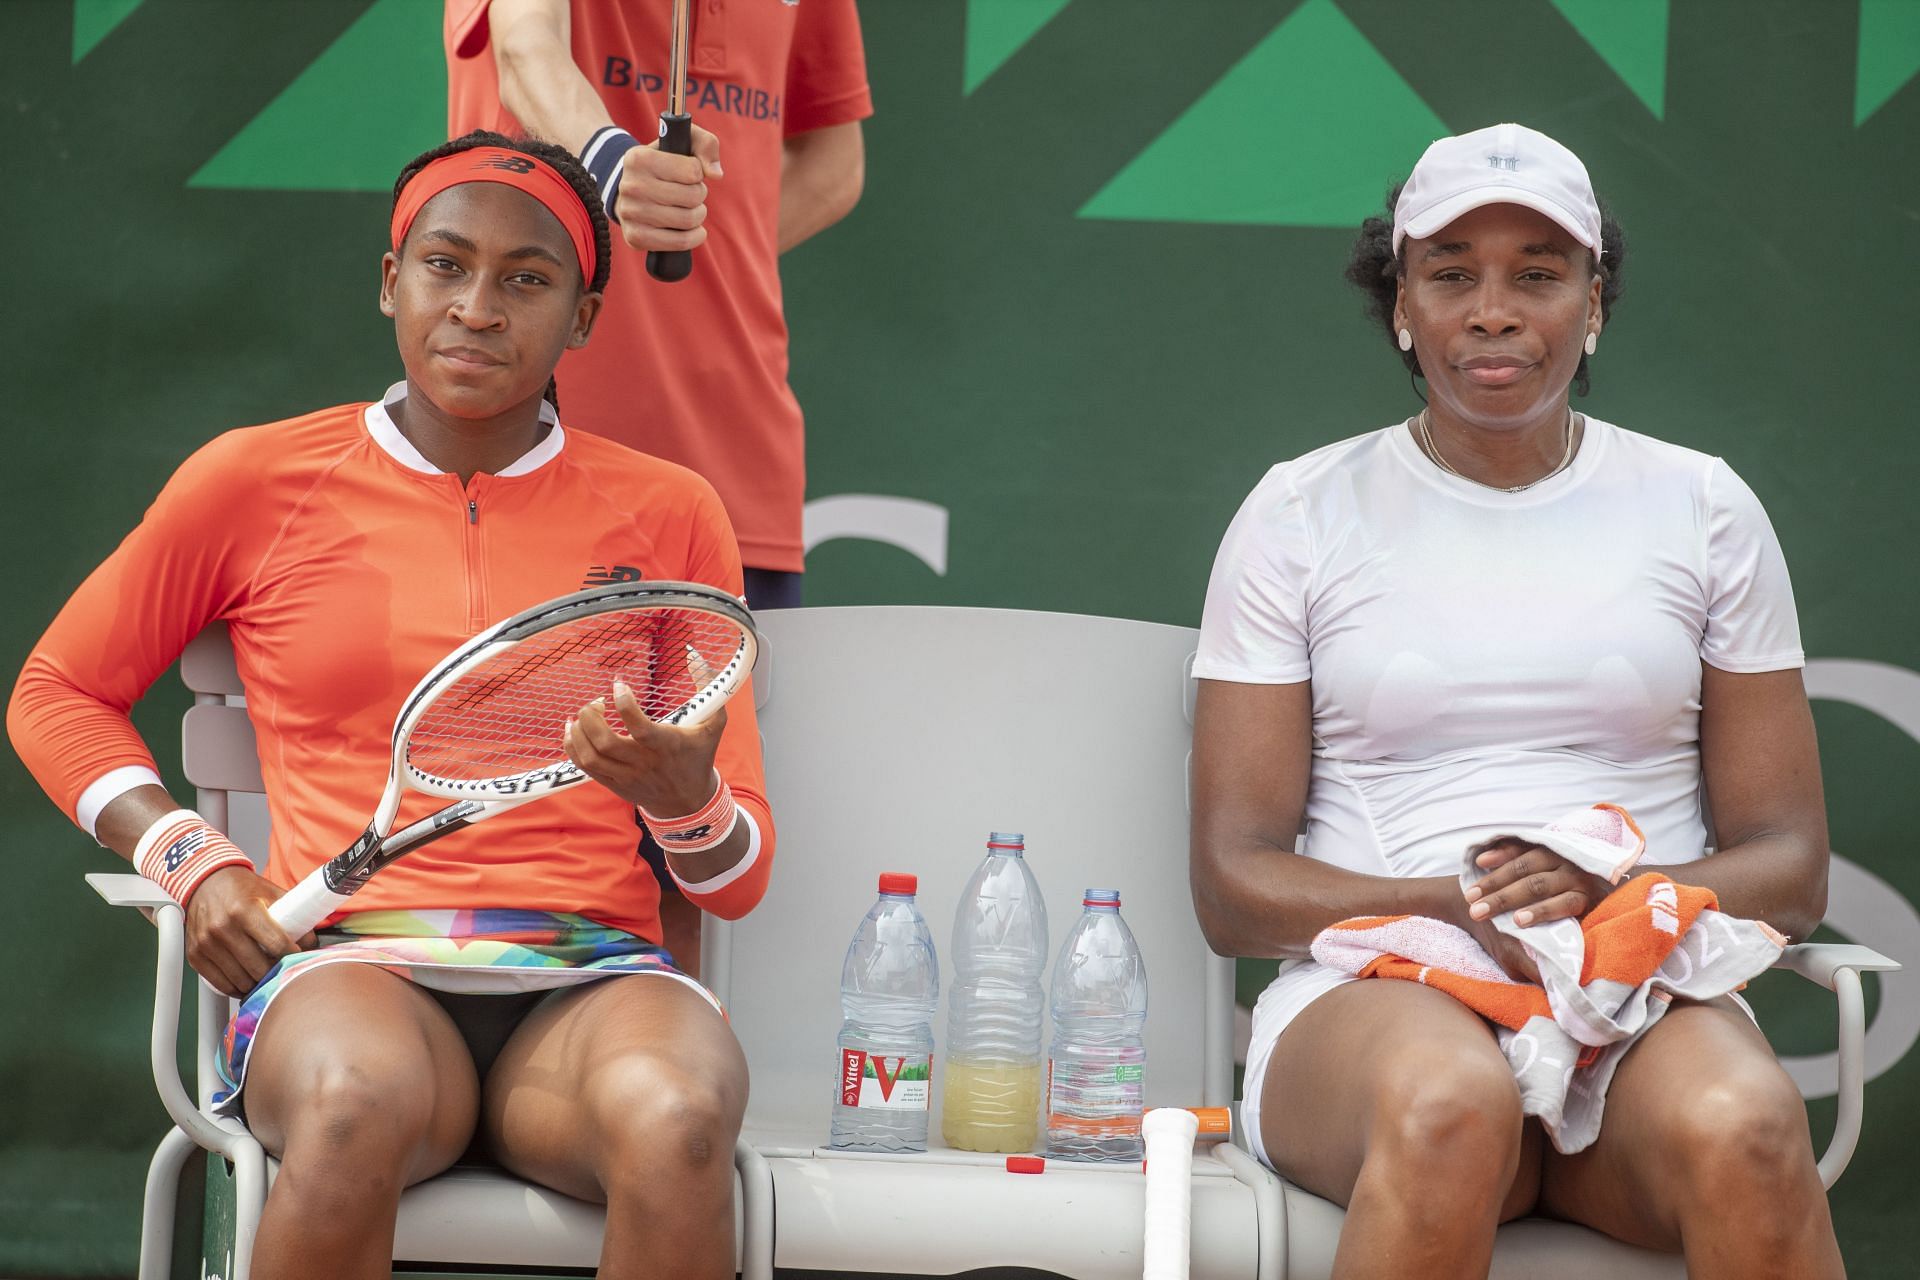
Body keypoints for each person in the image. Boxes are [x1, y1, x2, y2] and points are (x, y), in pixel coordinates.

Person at [8, 131, 773, 1280]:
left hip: (595, 979)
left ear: (583, 319)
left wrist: (686, 797)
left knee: (678, 1123)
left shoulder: (672, 512)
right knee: (351, 1101)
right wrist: (193, 859)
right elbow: (55, 689)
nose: (477, 306)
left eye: (528, 278)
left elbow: (737, 875)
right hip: (352, 968)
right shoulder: (253, 478)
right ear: (389, 281)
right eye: (445, 264)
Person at [1188, 123, 1842, 1279]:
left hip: (1633, 997)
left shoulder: (1705, 507)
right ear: (1402, 304)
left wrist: (1621, 896)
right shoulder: (1298, 512)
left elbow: (1789, 865)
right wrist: (1454, 905)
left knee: (1746, 1125)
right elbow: (1235, 886)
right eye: (1452, 274)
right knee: (1449, 1106)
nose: (1494, 309)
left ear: (1594, 303)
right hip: (1376, 994)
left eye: (1539, 273)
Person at [443, 0, 872, 610]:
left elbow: (836, 163)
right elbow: (524, 49)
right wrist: (613, 167)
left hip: (739, 462)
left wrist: (709, 251)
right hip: (532, 451)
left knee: (735, 709)